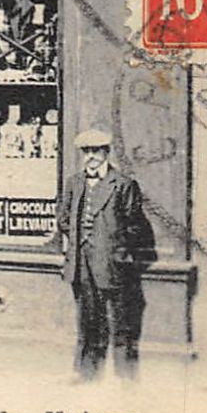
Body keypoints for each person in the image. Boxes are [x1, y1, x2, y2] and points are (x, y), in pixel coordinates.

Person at [60, 129, 156, 382]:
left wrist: (118, 254)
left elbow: (135, 227)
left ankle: (125, 377)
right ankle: (86, 373)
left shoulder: (123, 184)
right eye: (86, 152)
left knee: (121, 324)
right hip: (81, 264)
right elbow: (63, 218)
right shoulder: (75, 182)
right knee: (87, 321)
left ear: (106, 152)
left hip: (113, 266)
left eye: (96, 151)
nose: (90, 157)